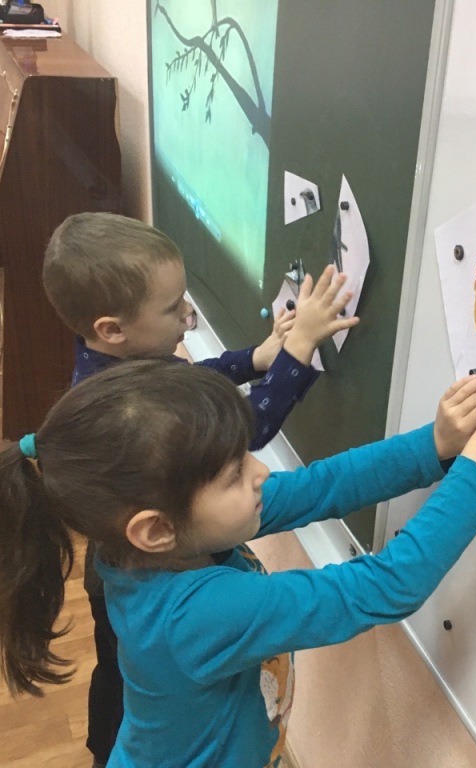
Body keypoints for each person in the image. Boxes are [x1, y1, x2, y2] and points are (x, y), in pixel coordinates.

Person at [0, 322, 476, 768]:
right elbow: (386, 586)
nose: (260, 474)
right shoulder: (194, 614)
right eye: (235, 472)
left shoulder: (170, 538)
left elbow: (322, 486)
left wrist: (435, 444)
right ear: (154, 529)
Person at [41, 211, 356, 767]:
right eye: (173, 308)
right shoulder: (123, 412)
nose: (189, 313)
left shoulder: (112, 359)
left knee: (126, 681)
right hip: (138, 566)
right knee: (124, 687)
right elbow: (249, 426)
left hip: (131, 550)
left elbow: (188, 378)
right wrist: (300, 346)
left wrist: (255, 359)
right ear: (112, 329)